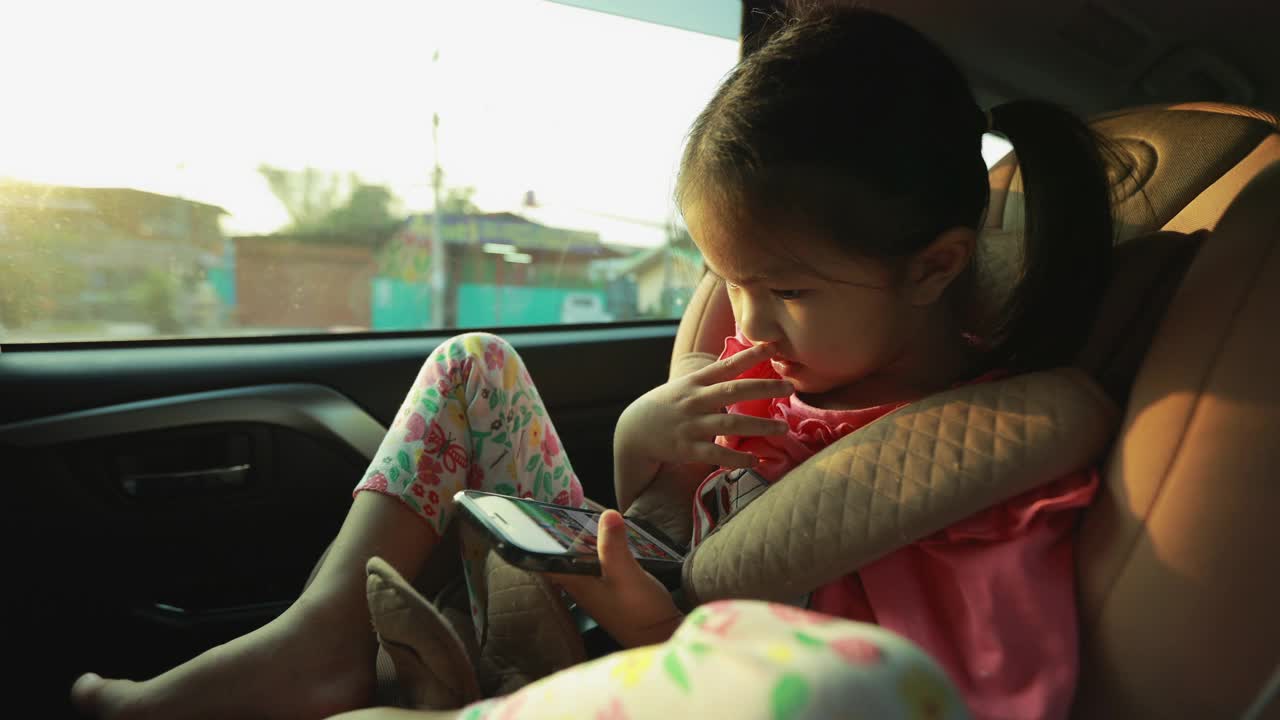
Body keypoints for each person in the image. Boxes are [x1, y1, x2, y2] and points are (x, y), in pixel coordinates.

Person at [71, 6, 1116, 719]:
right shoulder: (781, 379)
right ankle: (320, 635)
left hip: (653, 658)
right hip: (620, 611)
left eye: (785, 290)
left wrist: (650, 631)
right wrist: (641, 450)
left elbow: (847, 682)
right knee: (472, 360)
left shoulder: (962, 477)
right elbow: (680, 534)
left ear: (932, 268)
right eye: (726, 280)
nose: (744, 325)